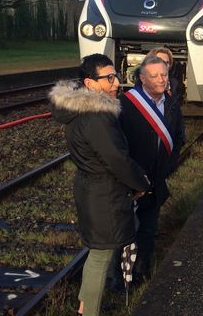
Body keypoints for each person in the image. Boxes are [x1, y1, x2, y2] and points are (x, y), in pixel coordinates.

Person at [49, 54, 150, 316]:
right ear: (90, 83)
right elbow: (117, 159)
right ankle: (89, 312)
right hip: (105, 195)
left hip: (92, 189)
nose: (116, 82)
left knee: (97, 251)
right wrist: (141, 182)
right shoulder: (97, 117)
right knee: (101, 256)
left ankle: (84, 305)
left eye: (115, 75)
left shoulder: (79, 111)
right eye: (109, 77)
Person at [119, 55, 185, 287]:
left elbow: (178, 139)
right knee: (126, 231)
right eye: (155, 76)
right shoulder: (126, 104)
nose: (161, 80)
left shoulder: (172, 103)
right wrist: (133, 177)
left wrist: (167, 167)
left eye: (164, 75)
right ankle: (119, 278)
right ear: (142, 79)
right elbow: (119, 146)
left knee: (148, 229)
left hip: (157, 180)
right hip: (132, 181)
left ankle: (141, 271)